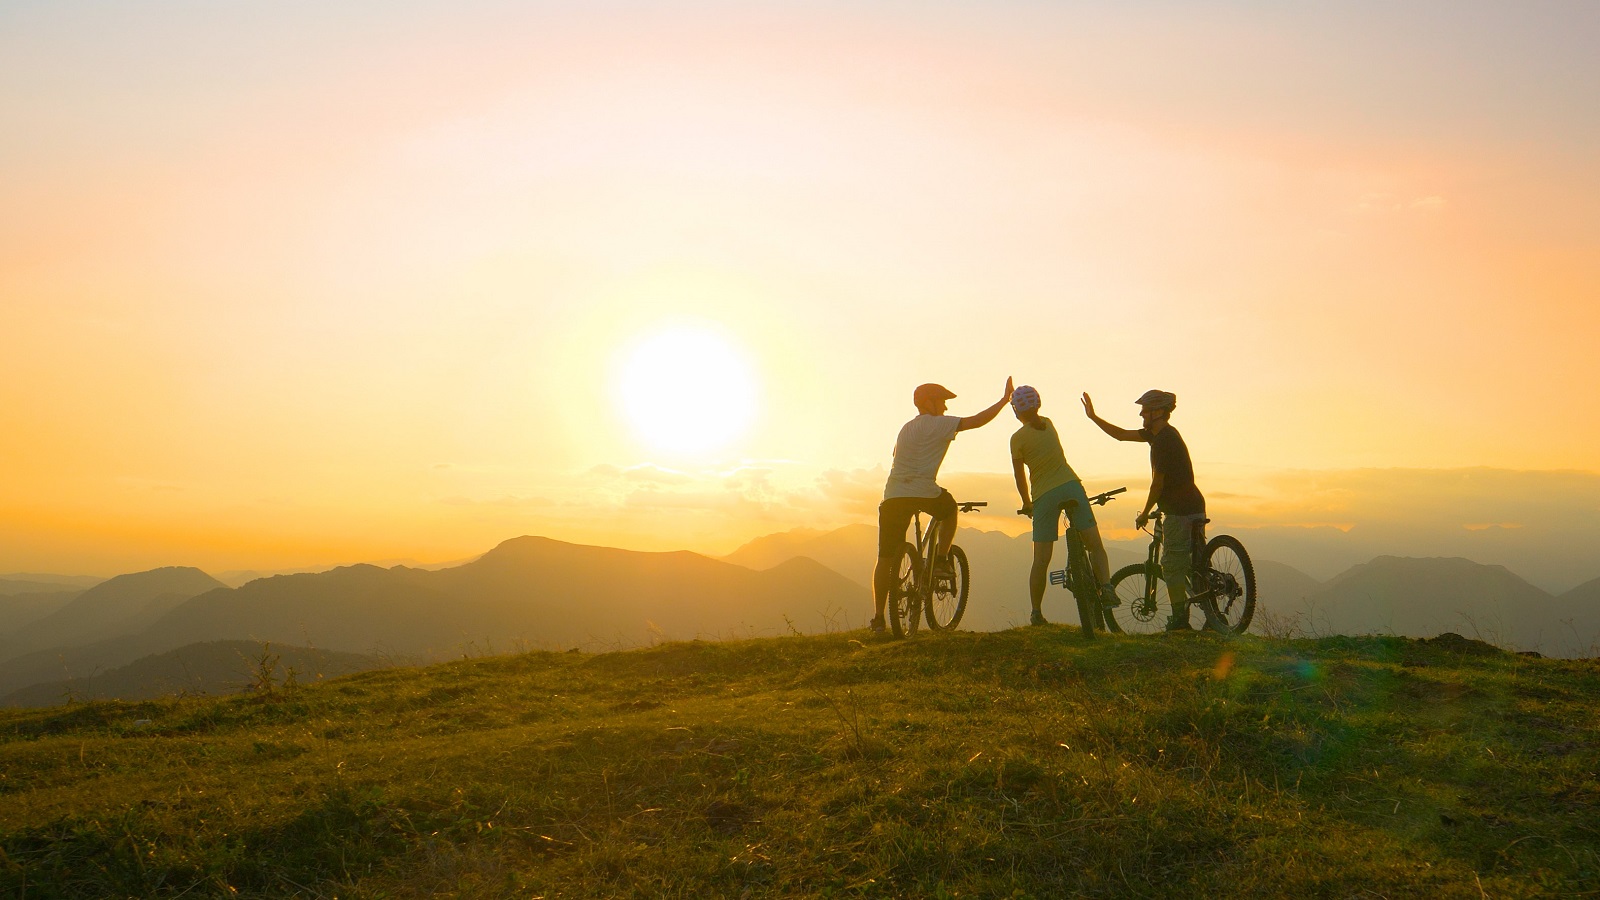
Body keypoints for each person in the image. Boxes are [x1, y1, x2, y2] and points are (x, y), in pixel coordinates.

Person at [872, 378, 1014, 634]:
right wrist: (1004, 401)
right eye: (943, 402)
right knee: (949, 510)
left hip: (892, 495)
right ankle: (940, 559)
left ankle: (878, 619)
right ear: (929, 402)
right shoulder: (939, 424)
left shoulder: (905, 429)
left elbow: (896, 456)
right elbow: (977, 420)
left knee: (885, 558)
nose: (946, 408)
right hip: (923, 491)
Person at [1081, 389, 1220, 631]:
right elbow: (1121, 435)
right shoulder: (1159, 435)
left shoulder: (1164, 440)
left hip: (1179, 512)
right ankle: (1215, 618)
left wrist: (1145, 512)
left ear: (1158, 412)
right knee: (1194, 565)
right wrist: (1093, 417)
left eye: (1145, 409)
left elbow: (1158, 482)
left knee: (1172, 566)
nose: (1141, 413)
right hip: (1194, 506)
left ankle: (1179, 622)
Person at [1009, 385, 1111, 629]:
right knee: (1094, 544)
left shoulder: (1017, 438)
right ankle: (1107, 588)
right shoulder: (1049, 423)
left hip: (1044, 496)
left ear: (1015, 411)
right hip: (1071, 486)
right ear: (1039, 404)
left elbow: (1019, 476)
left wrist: (1026, 502)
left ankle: (1036, 613)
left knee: (1041, 560)